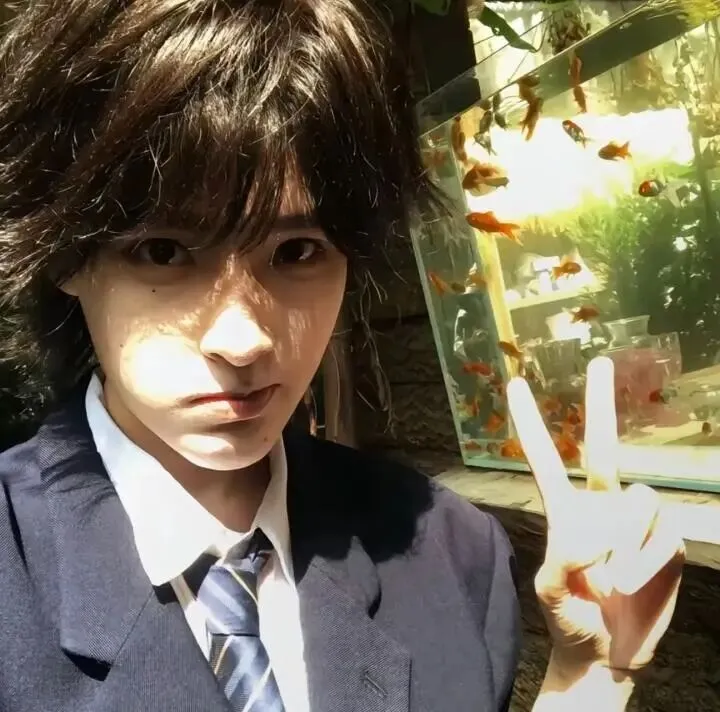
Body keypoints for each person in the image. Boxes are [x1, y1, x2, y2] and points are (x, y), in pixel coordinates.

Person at [0, 2, 684, 711]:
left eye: (297, 251)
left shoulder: (453, 552)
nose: (243, 338)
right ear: (64, 255)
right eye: (163, 251)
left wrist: (587, 678)